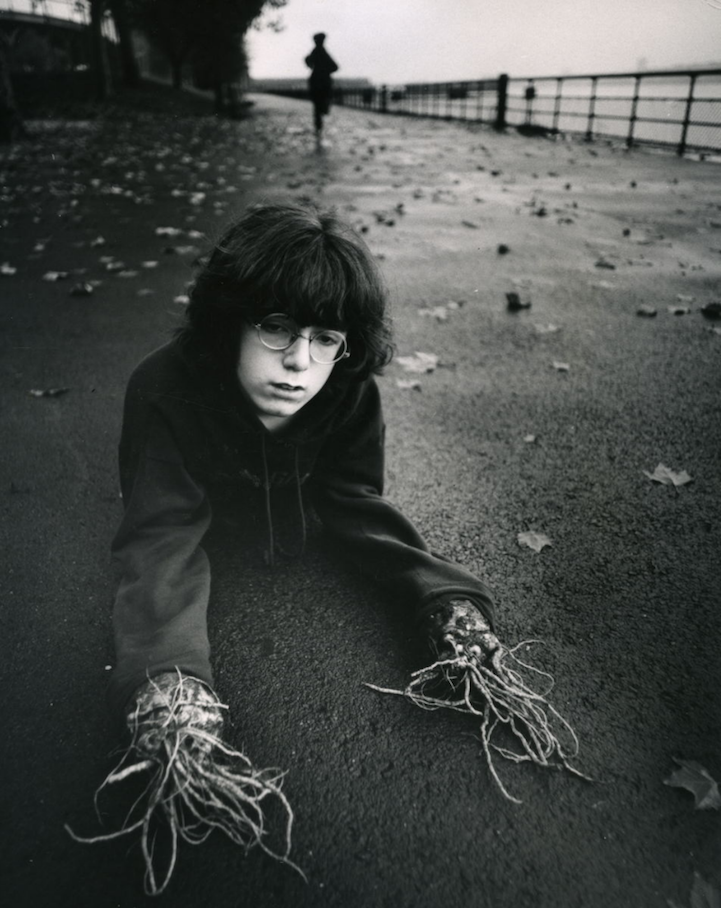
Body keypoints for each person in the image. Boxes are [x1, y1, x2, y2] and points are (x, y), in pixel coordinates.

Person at [71, 201, 582, 894]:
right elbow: (161, 531)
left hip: (307, 509)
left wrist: (443, 600)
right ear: (229, 320)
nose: (297, 362)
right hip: (198, 512)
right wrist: (170, 677)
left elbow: (354, 502)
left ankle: (457, 626)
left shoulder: (346, 389)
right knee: (165, 560)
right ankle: (176, 714)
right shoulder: (163, 387)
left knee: (373, 530)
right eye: (275, 328)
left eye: (323, 336)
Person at [304, 32, 338, 135]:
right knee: (322, 103)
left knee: (317, 105)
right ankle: (319, 123)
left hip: (316, 81)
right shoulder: (322, 51)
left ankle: (318, 125)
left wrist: (313, 67)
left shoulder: (315, 51)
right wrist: (326, 71)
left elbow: (307, 60)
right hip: (324, 82)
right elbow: (335, 66)